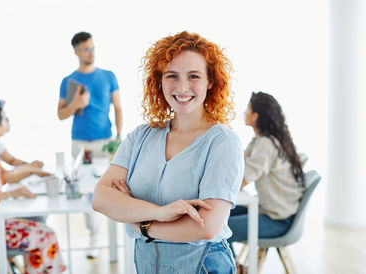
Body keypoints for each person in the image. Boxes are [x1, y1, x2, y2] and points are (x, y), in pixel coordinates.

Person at [92, 31, 244, 273]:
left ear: (211, 81)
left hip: (203, 264)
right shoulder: (141, 136)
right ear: (159, 81)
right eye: (172, 76)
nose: (182, 87)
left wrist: (138, 222)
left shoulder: (223, 142)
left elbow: (207, 226)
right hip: (147, 262)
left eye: (193, 76)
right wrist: (160, 213)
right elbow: (101, 198)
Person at [0, 105, 66, 273]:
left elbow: (6, 177)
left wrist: (32, 170)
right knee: (46, 235)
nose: (8, 122)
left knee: (43, 231)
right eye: (5, 119)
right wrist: (10, 193)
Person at [57, 31, 123, 258]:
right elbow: (61, 115)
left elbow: (118, 106)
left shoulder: (108, 75)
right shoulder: (68, 81)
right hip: (80, 144)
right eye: (86, 49)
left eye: (93, 48)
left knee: (113, 188)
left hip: (106, 141)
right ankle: (94, 239)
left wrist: (119, 136)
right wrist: (77, 102)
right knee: (87, 191)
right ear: (76, 51)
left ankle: (116, 244)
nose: (91, 52)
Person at [227, 92, 305, 264]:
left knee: (220, 226)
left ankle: (234, 267)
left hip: (278, 220)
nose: (244, 114)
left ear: (255, 116)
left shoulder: (265, 145)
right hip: (271, 212)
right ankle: (236, 266)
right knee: (221, 216)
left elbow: (241, 180)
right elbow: (238, 165)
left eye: (247, 110)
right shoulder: (260, 140)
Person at [0, 97, 48, 178]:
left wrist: (31, 166)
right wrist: (31, 169)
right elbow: (5, 176)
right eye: (5, 119)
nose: (8, 121)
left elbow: (11, 160)